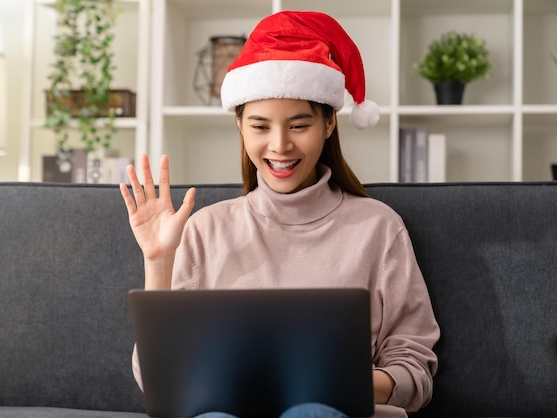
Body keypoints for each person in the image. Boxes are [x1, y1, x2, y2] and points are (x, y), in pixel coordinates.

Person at [120, 10, 440, 418]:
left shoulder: (378, 228)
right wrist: (158, 262)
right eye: (260, 126)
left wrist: (341, 383)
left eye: (298, 125)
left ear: (328, 124)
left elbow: (415, 370)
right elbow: (157, 380)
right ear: (240, 126)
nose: (280, 145)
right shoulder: (205, 229)